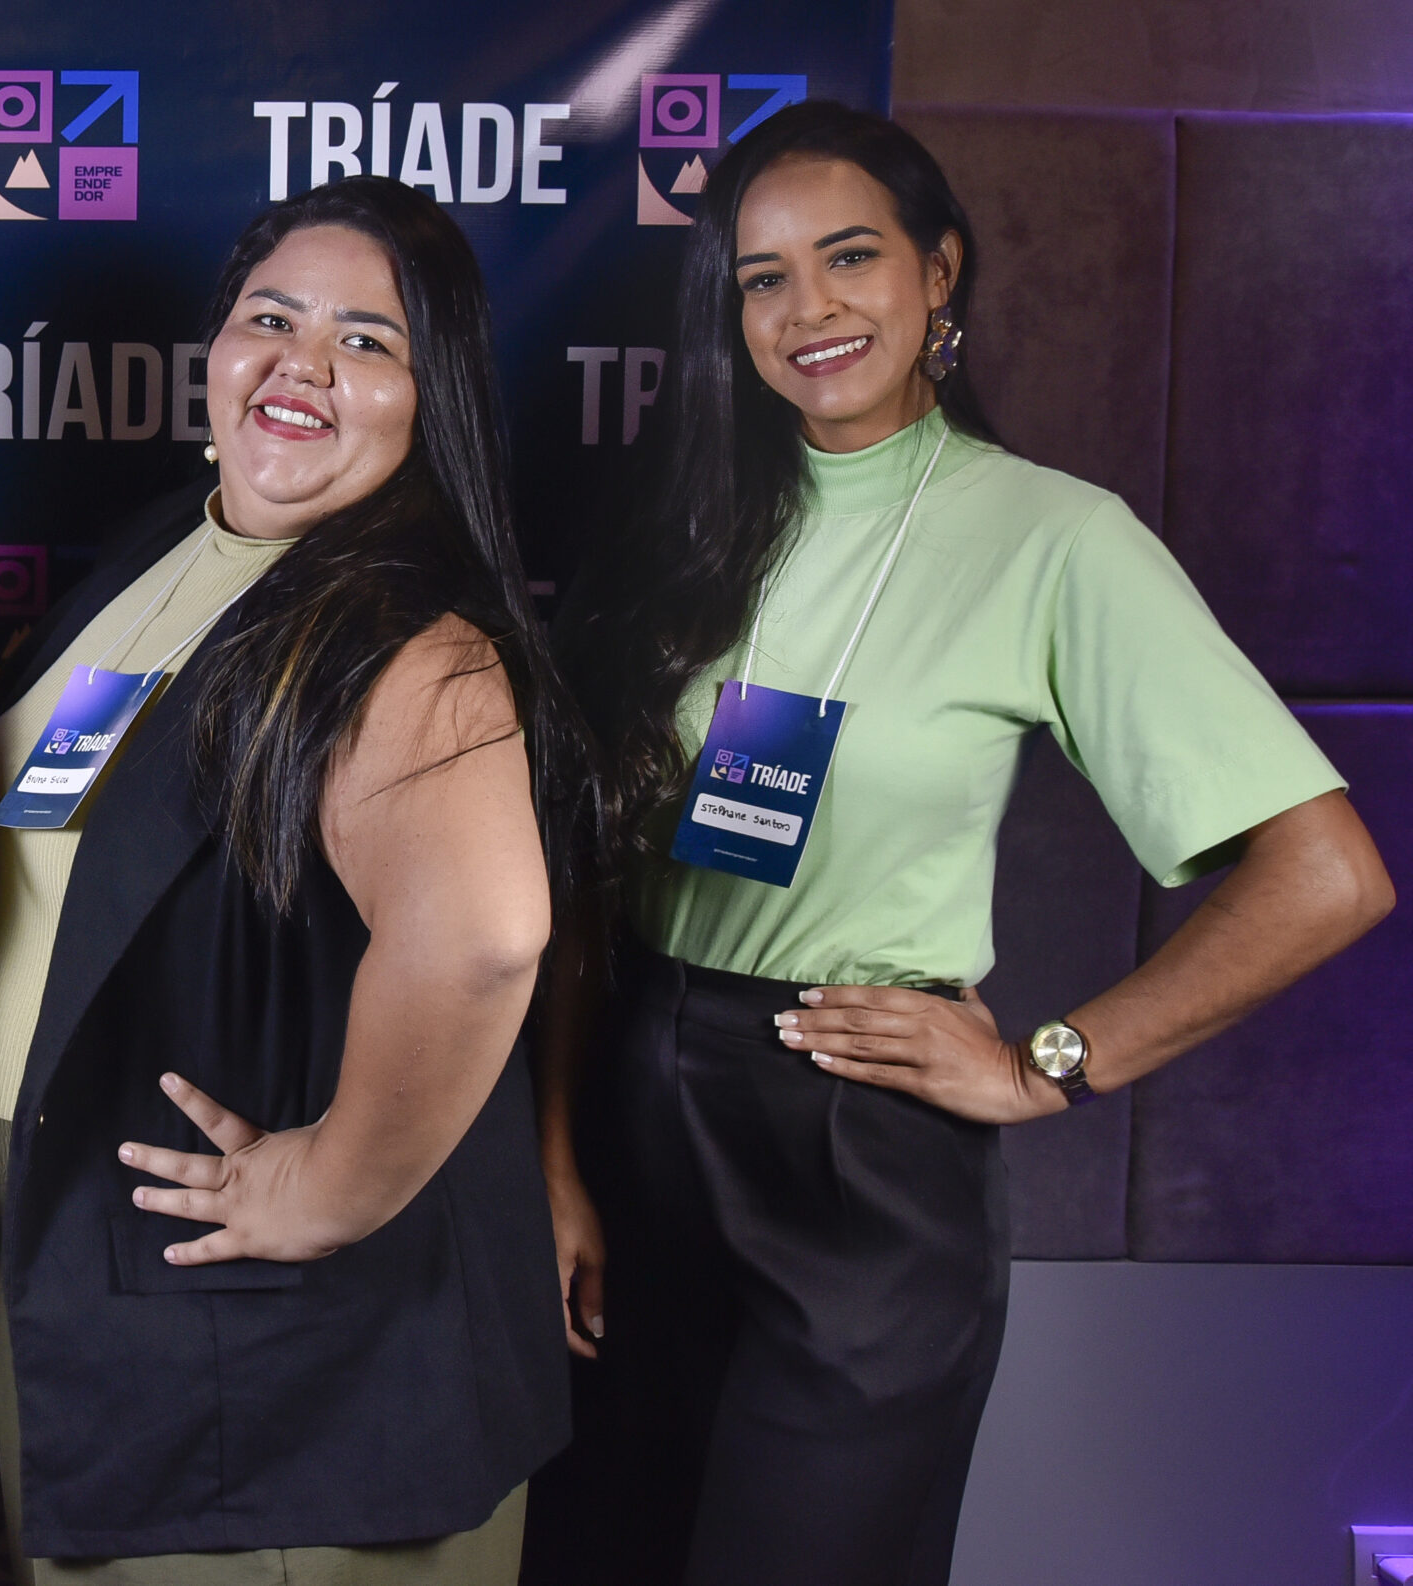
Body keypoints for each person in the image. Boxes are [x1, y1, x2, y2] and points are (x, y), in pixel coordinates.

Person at [541, 101, 1394, 1586]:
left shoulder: (1057, 539)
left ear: (939, 271)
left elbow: (1328, 874)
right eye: (762, 277)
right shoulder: (686, 527)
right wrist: (556, 1158)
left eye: (851, 257)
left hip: (851, 1147)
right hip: (636, 1113)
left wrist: (1047, 1063)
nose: (809, 308)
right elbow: (580, 884)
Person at [0, 175, 587, 1584]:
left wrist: (335, 1184)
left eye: (367, 341)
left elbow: (484, 938)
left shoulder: (407, 635)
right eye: (273, 319)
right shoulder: (175, 548)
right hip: (93, 1266)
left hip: (281, 1360)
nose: (304, 363)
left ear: (432, 398)